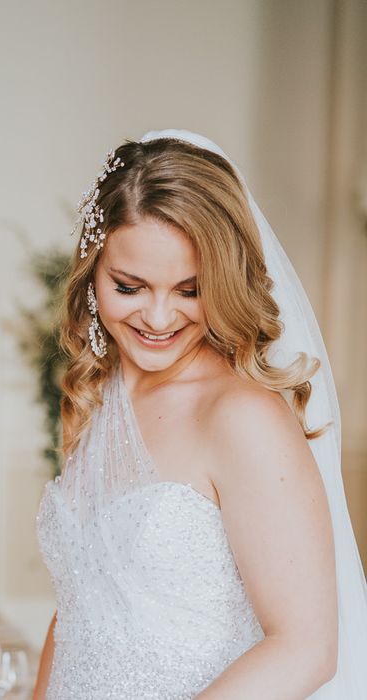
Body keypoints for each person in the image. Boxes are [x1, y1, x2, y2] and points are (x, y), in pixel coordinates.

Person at [33, 130, 367, 699]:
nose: (158, 317)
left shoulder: (240, 417)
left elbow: (306, 648)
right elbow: (78, 614)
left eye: (189, 290)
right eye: (130, 286)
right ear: (93, 273)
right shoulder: (95, 399)